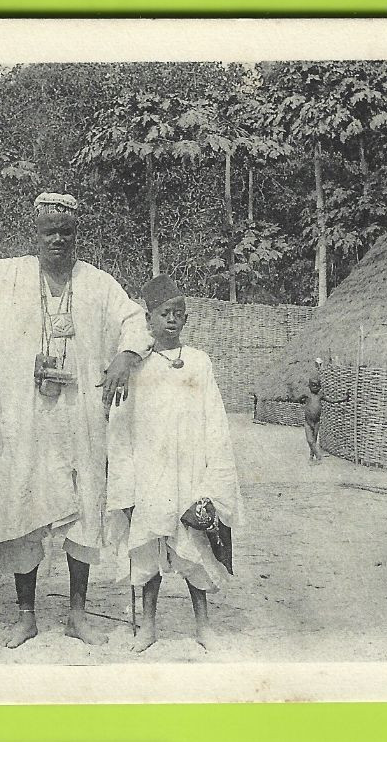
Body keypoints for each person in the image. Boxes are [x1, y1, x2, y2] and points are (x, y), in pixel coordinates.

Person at [0, 192, 152, 649]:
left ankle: (77, 614)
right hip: (24, 420)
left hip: (80, 420)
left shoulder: (96, 283)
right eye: (48, 231)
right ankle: (26, 615)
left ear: (77, 236)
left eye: (66, 231)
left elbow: (136, 318)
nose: (58, 238)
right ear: (34, 235)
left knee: (85, 510)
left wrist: (125, 354)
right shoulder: (8, 274)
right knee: (22, 508)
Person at [106, 275, 244, 653]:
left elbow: (215, 420)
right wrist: (125, 481)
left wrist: (214, 479)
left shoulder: (199, 362)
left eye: (179, 313)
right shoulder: (136, 366)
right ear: (148, 319)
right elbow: (121, 427)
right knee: (150, 545)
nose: (172, 320)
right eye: (164, 313)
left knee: (194, 549)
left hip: (190, 471)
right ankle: (148, 627)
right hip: (150, 472)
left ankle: (203, 627)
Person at [300, 375, 351, 464]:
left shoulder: (320, 396)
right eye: (313, 385)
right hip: (308, 422)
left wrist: (344, 398)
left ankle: (312, 457)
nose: (315, 387)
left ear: (320, 387)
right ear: (309, 386)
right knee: (310, 440)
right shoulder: (307, 395)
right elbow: (297, 399)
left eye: (317, 385)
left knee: (314, 440)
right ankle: (318, 456)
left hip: (316, 422)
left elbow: (332, 400)